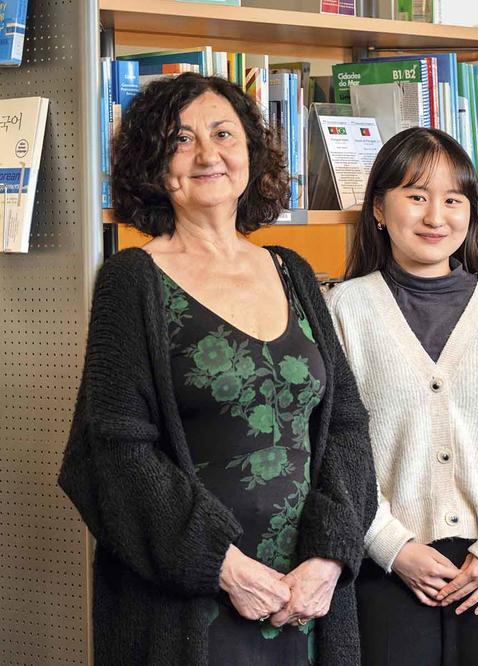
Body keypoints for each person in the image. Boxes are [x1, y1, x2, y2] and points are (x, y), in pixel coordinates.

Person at [58, 73, 377, 666]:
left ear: (251, 152)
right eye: (181, 140)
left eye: (223, 134)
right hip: (191, 606)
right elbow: (115, 453)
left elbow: (345, 426)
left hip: (308, 597)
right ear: (155, 166)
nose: (208, 154)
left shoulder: (291, 271)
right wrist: (223, 566)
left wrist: (330, 556)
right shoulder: (131, 282)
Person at [326, 127, 478, 666]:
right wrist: (391, 545)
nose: (436, 216)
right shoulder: (344, 309)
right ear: (379, 209)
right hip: (387, 572)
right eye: (416, 196)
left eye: (453, 200)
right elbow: (335, 451)